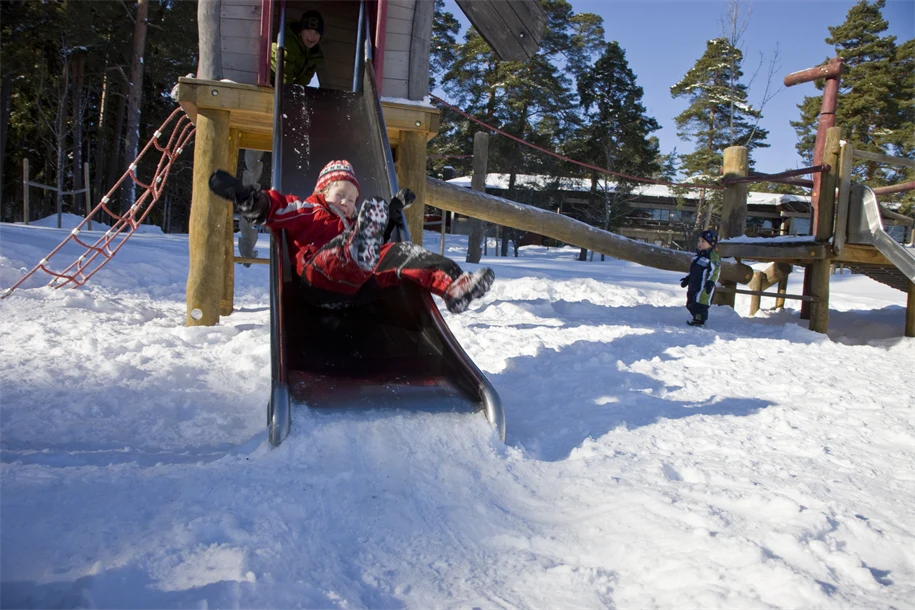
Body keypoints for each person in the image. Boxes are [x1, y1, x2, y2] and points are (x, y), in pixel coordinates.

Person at [208, 160, 495, 314]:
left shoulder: (356, 222)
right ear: (322, 192)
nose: (346, 202)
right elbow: (276, 208)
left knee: (402, 251)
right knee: (342, 251)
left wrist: (392, 212)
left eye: (352, 198)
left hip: (360, 291)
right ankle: (356, 252)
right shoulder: (307, 210)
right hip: (318, 282)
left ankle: (453, 287)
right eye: (340, 195)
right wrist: (250, 199)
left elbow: (377, 241)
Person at [271, 10, 326, 87]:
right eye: (308, 30)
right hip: (268, 80)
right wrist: (290, 93)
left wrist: (297, 92)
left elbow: (304, 80)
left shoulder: (314, 55)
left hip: (282, 84)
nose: (312, 35)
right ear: (300, 31)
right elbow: (284, 74)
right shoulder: (288, 43)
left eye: (316, 33)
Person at [679, 229, 721, 327]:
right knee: (691, 301)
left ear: (711, 243)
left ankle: (699, 320)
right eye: (699, 241)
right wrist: (687, 279)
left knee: (701, 302)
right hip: (694, 284)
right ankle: (695, 317)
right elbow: (694, 271)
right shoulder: (697, 257)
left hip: (704, 286)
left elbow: (715, 271)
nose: (700, 244)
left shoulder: (712, 257)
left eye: (703, 241)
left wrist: (711, 282)